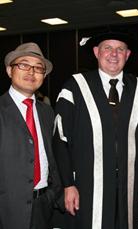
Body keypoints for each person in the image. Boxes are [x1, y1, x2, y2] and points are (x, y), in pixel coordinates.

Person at [53, 30, 138, 229]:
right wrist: (68, 184)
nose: (114, 54)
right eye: (107, 48)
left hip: (131, 185)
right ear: (96, 52)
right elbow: (60, 140)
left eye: (120, 49)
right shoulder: (75, 86)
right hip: (88, 184)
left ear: (127, 55)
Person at [0, 42, 62, 229]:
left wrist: (53, 195)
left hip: (44, 207)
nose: (31, 72)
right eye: (24, 65)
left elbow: (54, 156)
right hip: (6, 211)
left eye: (38, 68)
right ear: (10, 71)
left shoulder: (48, 112)